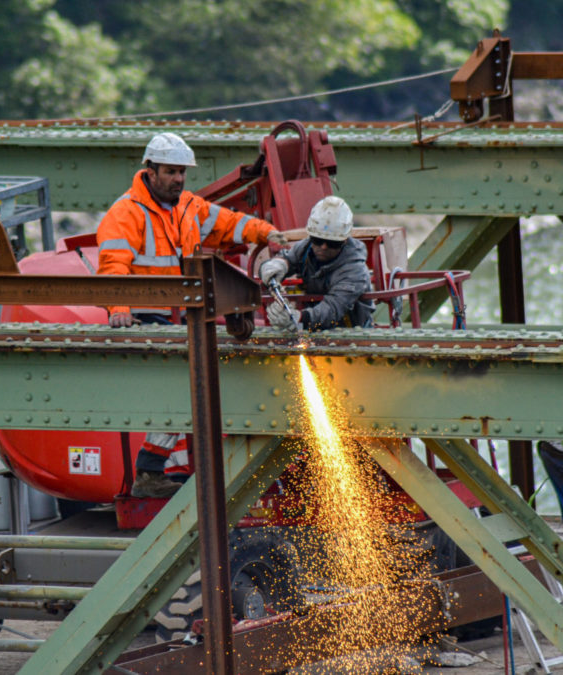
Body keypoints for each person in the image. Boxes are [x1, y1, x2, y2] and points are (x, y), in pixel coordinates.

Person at [97, 132, 287, 498]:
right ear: (149, 171)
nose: (179, 179)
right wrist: (119, 309)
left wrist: (268, 234)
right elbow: (112, 267)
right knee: (185, 390)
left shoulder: (188, 207)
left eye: (182, 172)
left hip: (180, 315)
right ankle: (151, 472)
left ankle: (167, 470)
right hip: (145, 318)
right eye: (170, 171)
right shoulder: (125, 214)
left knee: (192, 387)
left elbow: (230, 223)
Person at [257, 195, 375, 331]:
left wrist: (299, 317)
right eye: (318, 240)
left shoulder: (354, 270)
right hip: (315, 328)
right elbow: (290, 259)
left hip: (351, 331)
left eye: (332, 243)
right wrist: (279, 264)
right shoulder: (306, 247)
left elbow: (333, 308)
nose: (323, 247)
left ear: (345, 241)